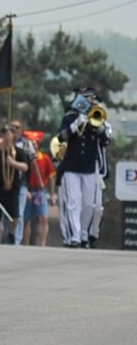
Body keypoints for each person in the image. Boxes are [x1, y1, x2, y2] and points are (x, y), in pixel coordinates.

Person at [56, 93, 113, 247]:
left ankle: (83, 233)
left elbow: (106, 141)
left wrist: (99, 127)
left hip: (89, 166)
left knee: (89, 204)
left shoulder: (98, 120)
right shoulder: (70, 117)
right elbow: (60, 138)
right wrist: (75, 126)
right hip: (71, 165)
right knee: (73, 202)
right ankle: (74, 235)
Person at [0, 125, 27, 244]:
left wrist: (13, 163)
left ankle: (11, 233)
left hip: (12, 187)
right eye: (5, 133)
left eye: (10, 133)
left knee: (14, 214)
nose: (8, 135)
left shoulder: (18, 151)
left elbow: (25, 167)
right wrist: (3, 142)